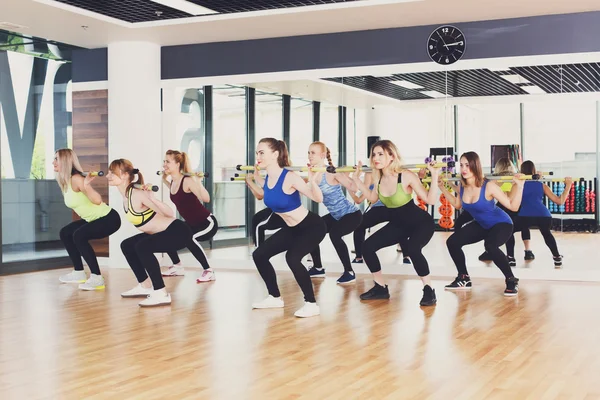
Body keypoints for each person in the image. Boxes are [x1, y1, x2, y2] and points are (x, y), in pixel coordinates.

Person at [351, 140, 440, 306]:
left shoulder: (405, 175)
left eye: (380, 154)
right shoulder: (378, 179)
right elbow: (372, 198)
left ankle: (428, 289)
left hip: (420, 223)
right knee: (367, 247)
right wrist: (357, 180)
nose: (375, 158)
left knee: (413, 249)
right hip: (399, 224)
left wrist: (434, 176)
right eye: (374, 154)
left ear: (391, 156)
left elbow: (430, 199)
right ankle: (380, 287)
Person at [251, 138, 327, 318]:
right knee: (259, 255)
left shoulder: (290, 177)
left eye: (262, 152)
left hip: (311, 226)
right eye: (257, 153)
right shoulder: (268, 178)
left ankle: (311, 303)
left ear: (275, 155)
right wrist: (253, 177)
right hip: (291, 228)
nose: (258, 156)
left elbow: (318, 199)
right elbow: (262, 188)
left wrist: (313, 182)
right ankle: (274, 297)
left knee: (292, 258)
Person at [107, 159, 192, 307]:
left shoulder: (137, 194)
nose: (108, 175)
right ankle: (145, 285)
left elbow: (170, 213)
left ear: (125, 175)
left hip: (178, 231)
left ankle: (161, 292)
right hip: (161, 233)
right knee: (127, 245)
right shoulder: (126, 195)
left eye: (112, 172)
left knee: (142, 246)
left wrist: (152, 199)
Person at [439, 152, 524, 296]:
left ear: (475, 166)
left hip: (501, 223)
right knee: (452, 242)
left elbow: (512, 206)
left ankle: (511, 279)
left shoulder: (488, 185)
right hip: (482, 224)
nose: (464, 169)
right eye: (461, 165)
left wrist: (520, 187)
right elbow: (458, 204)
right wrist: (442, 187)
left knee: (490, 246)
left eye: (467, 165)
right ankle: (463, 277)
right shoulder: (463, 185)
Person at [54, 149, 121, 290]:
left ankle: (97, 277)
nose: (53, 162)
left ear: (65, 162)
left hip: (108, 218)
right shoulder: (65, 181)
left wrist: (86, 185)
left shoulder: (77, 179)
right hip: (93, 219)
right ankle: (79, 272)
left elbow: (97, 201)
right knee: (66, 232)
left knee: (79, 235)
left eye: (56, 159)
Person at [303, 141, 363, 284]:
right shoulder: (313, 174)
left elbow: (353, 188)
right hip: (336, 216)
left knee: (335, 235)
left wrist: (355, 175)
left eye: (313, 153)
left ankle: (349, 272)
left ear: (323, 155)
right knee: (312, 229)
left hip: (351, 214)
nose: (310, 156)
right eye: (309, 152)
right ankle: (318, 267)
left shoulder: (331, 172)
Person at [160, 150, 219, 282]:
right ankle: (177, 266)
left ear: (178, 164)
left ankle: (208, 271)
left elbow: (206, 198)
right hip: (191, 224)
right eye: (164, 161)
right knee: (167, 234)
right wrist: (164, 180)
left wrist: (198, 181)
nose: (164, 164)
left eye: (168, 162)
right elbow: (177, 194)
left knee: (189, 238)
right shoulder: (174, 182)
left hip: (207, 223)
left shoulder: (187, 181)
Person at [515, 160, 572, 267]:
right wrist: (568, 186)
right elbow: (560, 201)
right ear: (534, 171)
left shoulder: (517, 185)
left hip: (524, 216)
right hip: (543, 215)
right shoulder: (542, 186)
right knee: (547, 234)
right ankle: (557, 257)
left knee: (511, 229)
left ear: (521, 171)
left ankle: (511, 257)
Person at [477, 157, 533, 266]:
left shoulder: (500, 180)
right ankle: (512, 254)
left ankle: (510, 256)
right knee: (504, 228)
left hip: (510, 206)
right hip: (511, 207)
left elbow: (506, 197)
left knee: (503, 227)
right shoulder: (506, 178)